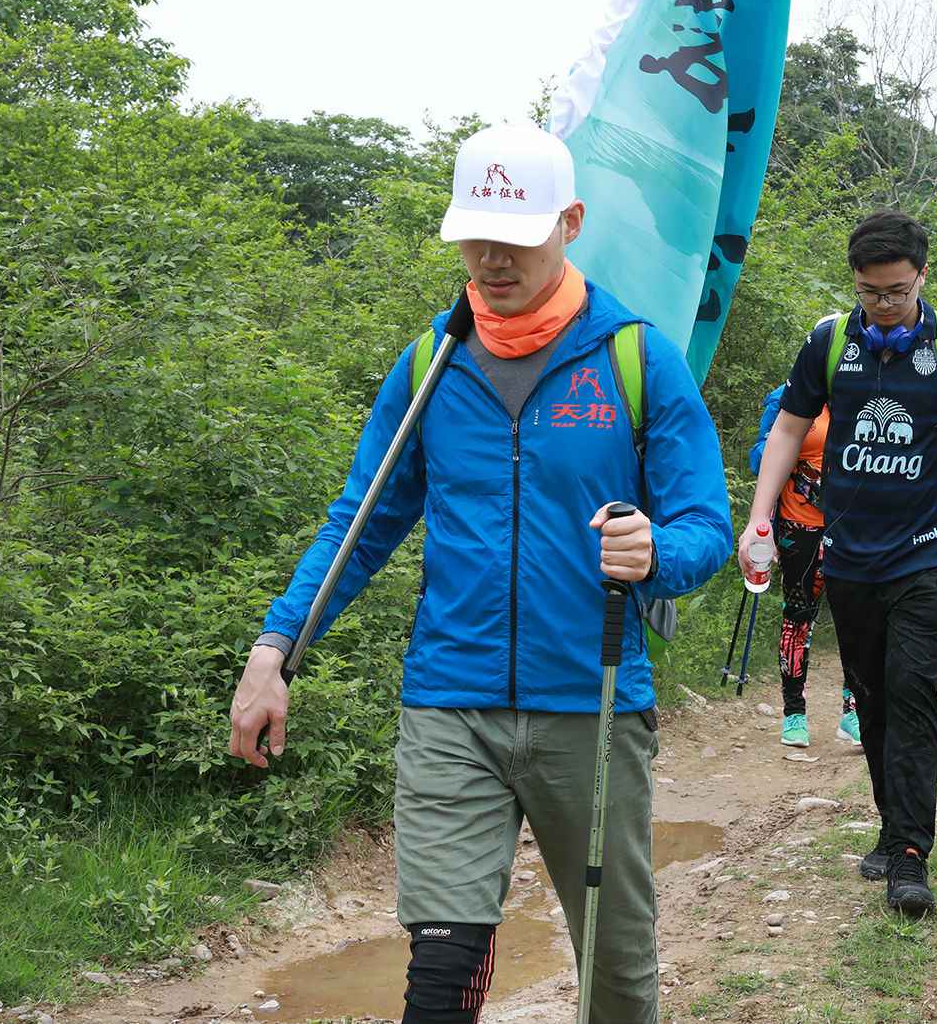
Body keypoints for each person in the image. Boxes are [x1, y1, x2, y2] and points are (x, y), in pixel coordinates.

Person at [226, 125, 734, 1024]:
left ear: (570, 222)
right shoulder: (432, 363)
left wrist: (657, 550)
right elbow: (359, 523)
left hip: (592, 704)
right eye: (476, 236)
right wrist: (276, 648)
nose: (493, 259)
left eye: (517, 236)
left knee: (615, 972)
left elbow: (707, 526)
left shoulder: (635, 357)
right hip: (450, 702)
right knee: (442, 966)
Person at [742, 211, 937, 916]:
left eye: (896, 290)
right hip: (850, 554)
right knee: (874, 695)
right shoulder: (829, 342)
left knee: (911, 688)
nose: (883, 304)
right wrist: (761, 514)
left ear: (921, 276)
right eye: (869, 291)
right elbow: (788, 428)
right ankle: (893, 827)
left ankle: (910, 852)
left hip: (930, 549)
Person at [746, 386, 860, 749]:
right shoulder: (788, 398)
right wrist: (784, 444)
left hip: (852, 527)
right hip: (799, 527)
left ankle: (853, 711)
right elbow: (759, 459)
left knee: (857, 620)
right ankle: (794, 712)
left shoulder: (861, 393)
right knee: (797, 619)